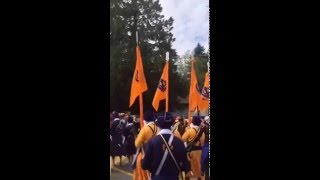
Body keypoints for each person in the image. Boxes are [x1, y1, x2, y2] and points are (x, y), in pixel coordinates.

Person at [142, 113, 192, 180]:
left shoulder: (152, 142)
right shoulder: (179, 142)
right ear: (171, 124)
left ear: (158, 124)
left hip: (157, 177)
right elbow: (185, 165)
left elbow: (145, 165)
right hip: (174, 177)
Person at [133, 111, 159, 180]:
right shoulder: (158, 128)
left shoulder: (145, 129)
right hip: (158, 155)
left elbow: (137, 144)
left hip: (146, 155)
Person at [182, 116, 205, 180]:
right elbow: (202, 142)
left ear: (193, 122)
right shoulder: (202, 132)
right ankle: (199, 177)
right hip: (199, 151)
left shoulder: (190, 130)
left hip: (191, 151)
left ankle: (189, 178)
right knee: (198, 165)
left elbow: (183, 139)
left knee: (190, 166)